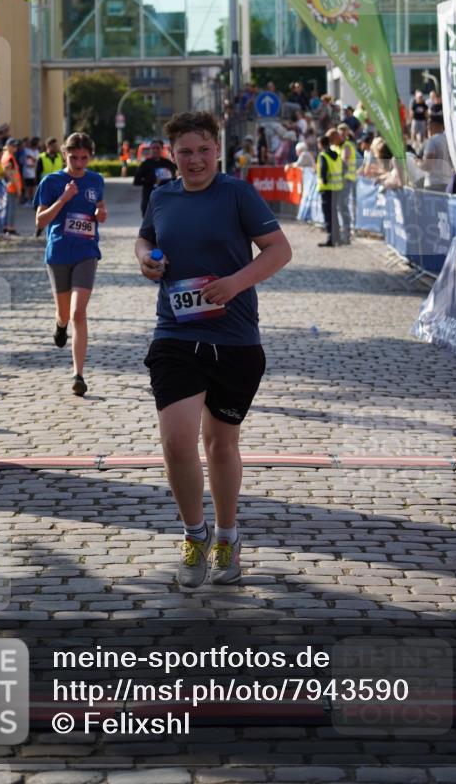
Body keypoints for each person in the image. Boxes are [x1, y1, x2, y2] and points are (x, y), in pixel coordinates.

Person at [135, 111, 291, 588]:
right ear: (172, 154)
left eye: (203, 150)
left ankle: (227, 536)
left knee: (220, 445)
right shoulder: (162, 196)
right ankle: (193, 533)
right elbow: (146, 239)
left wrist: (235, 283)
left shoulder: (237, 193)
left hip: (235, 338)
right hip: (176, 335)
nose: (195, 159)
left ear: (217, 151)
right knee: (177, 442)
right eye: (185, 151)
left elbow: (278, 250)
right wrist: (145, 259)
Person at [34, 132, 107, 397]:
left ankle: (78, 374)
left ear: (90, 157)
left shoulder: (96, 180)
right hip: (59, 252)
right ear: (65, 154)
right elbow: (40, 221)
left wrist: (101, 213)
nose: (79, 163)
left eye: (84, 158)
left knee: (79, 312)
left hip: (87, 251)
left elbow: (100, 209)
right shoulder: (51, 181)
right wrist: (63, 199)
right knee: (64, 314)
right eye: (74, 157)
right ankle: (60, 326)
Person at [133, 139, 177, 216]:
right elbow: (136, 181)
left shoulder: (169, 164)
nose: (155, 150)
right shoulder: (145, 164)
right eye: (153, 148)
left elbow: (174, 180)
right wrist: (152, 181)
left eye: (158, 148)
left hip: (166, 199)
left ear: (162, 149)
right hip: (149, 199)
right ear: (150, 149)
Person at [316, 133, 343, 246]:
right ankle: (337, 237)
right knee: (335, 214)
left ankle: (331, 239)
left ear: (321, 144)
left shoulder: (323, 155)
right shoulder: (336, 154)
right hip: (337, 188)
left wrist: (323, 181)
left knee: (328, 215)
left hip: (327, 189)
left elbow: (323, 171)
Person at [417, 114, 453, 191]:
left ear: (433, 125)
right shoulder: (450, 141)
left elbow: (428, 166)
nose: (427, 128)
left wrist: (417, 162)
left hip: (434, 184)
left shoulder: (432, 141)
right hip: (448, 184)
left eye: (428, 125)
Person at [337, 123, 358, 243]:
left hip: (346, 179)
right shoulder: (343, 145)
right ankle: (344, 233)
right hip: (345, 179)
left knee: (342, 206)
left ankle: (346, 234)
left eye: (340, 134)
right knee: (341, 206)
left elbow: (344, 162)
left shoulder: (346, 146)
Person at [1, 138, 23, 235]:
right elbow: (12, 174)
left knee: (8, 208)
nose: (15, 147)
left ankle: (7, 227)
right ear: (8, 146)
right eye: (13, 146)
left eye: (16, 146)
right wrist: (18, 189)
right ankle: (10, 228)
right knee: (11, 208)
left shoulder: (6, 156)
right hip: (11, 187)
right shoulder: (9, 157)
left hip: (8, 186)